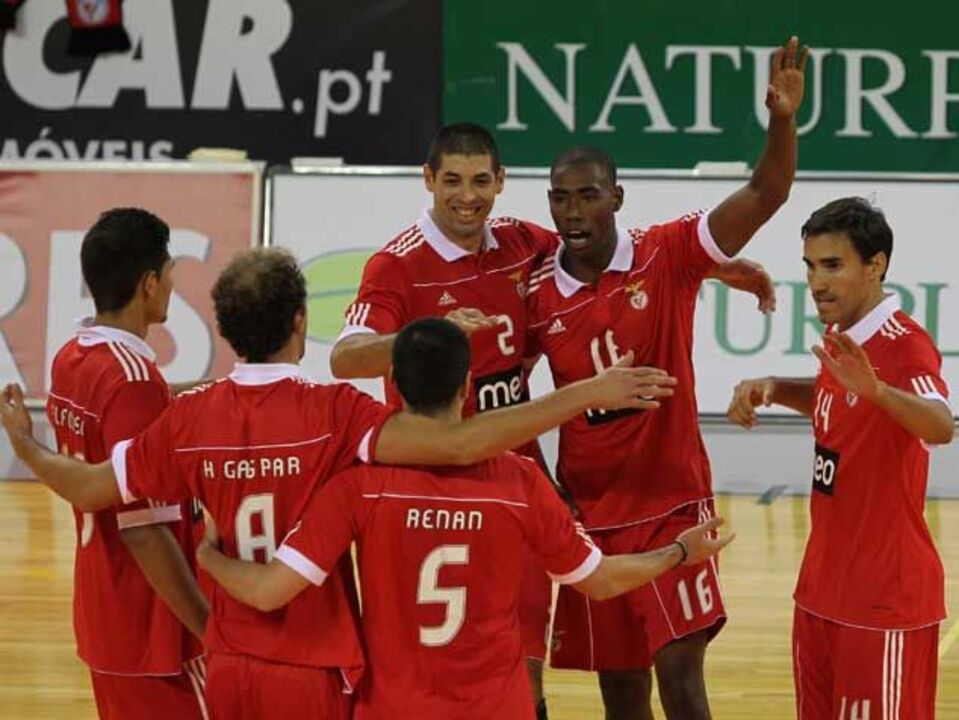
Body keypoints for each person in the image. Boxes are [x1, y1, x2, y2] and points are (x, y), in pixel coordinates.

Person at [1, 247, 675, 719]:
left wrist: (24, 443)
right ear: (300, 323)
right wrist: (584, 391)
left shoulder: (186, 419)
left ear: (228, 331)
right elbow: (459, 440)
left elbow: (90, 488)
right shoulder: (335, 413)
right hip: (314, 666)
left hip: (230, 655)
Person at [330, 122, 777, 719]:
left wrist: (715, 266)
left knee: (522, 657)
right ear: (429, 181)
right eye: (453, 182)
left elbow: (601, 247)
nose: (468, 196)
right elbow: (344, 357)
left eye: (481, 181)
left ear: (501, 183)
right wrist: (426, 336)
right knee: (432, 655)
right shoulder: (396, 265)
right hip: (432, 473)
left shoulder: (521, 244)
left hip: (515, 474)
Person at [197, 317, 735, 720]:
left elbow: (269, 591)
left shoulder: (357, 487)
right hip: (495, 708)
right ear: (466, 386)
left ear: (395, 387)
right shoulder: (519, 484)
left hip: (392, 709)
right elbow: (600, 581)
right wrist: (678, 552)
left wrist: (210, 558)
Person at [524, 35, 808, 720]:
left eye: (587, 196)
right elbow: (502, 398)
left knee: (680, 670)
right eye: (559, 198)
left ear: (616, 196)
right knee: (620, 693)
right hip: (591, 517)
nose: (571, 211)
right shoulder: (534, 294)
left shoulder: (666, 254)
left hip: (674, 503)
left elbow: (765, 192)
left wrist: (780, 120)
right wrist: (541, 487)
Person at [727, 198, 953, 719]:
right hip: (821, 591)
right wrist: (777, 387)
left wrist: (879, 392)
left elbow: (941, 425)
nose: (817, 282)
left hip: (884, 600)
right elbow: (840, 401)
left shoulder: (905, 347)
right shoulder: (842, 336)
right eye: (809, 265)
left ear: (876, 266)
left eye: (833, 265)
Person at [43, 208, 208, 719]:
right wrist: (208, 628)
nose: (174, 285)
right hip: (153, 624)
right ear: (150, 284)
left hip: (104, 612)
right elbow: (143, 528)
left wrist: (201, 399)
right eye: (171, 272)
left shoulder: (73, 356)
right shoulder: (135, 377)